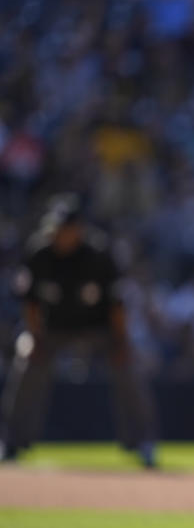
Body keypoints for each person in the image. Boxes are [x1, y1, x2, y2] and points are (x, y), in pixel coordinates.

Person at [0, 195, 159, 467]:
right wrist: (36, 337)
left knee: (129, 366)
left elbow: (117, 306)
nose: (58, 234)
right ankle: (12, 442)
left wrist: (120, 343)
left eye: (64, 228)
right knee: (26, 357)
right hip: (53, 330)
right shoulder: (39, 252)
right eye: (55, 228)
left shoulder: (99, 254)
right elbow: (30, 304)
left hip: (99, 329)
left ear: (78, 229)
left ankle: (142, 442)